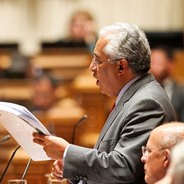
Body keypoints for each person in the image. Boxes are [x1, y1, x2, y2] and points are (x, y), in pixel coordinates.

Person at [33, 22, 176, 184]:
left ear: (121, 67)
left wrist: (66, 152)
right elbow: (110, 161)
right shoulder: (133, 97)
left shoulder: (148, 102)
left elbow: (123, 168)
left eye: (97, 60)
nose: (91, 67)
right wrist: (73, 168)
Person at [150, 46, 184, 121]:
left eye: (158, 62)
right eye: (151, 62)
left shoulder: (181, 91)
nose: (153, 67)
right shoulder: (143, 90)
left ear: (171, 64)